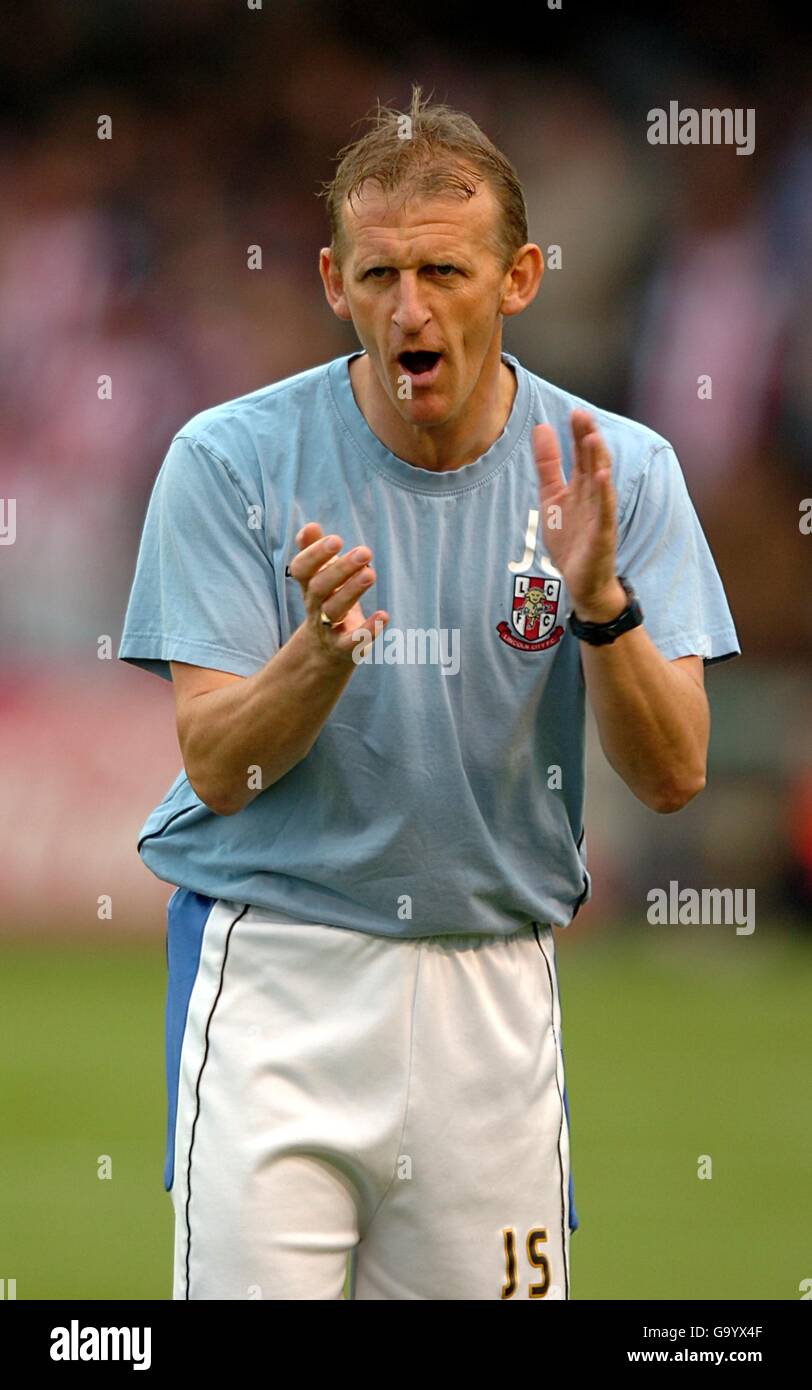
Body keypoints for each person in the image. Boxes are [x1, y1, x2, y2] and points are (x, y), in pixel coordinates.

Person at [118, 87, 740, 1300]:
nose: (409, 309)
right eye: (378, 275)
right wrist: (318, 655)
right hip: (277, 980)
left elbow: (671, 777)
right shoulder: (228, 460)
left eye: (444, 273)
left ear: (517, 279)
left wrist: (599, 603)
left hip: (490, 989)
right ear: (329, 281)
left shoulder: (618, 471)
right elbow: (216, 769)